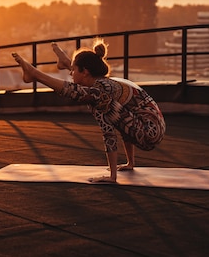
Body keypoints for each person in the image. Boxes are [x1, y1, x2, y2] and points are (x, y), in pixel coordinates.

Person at [12, 39, 166, 184]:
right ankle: (64, 63)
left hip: (149, 135)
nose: (71, 74)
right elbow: (128, 118)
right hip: (151, 126)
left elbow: (109, 132)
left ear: (85, 71)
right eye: (70, 69)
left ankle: (36, 73)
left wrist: (112, 176)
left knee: (93, 99)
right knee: (99, 100)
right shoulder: (104, 83)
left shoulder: (101, 92)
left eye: (73, 70)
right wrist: (130, 163)